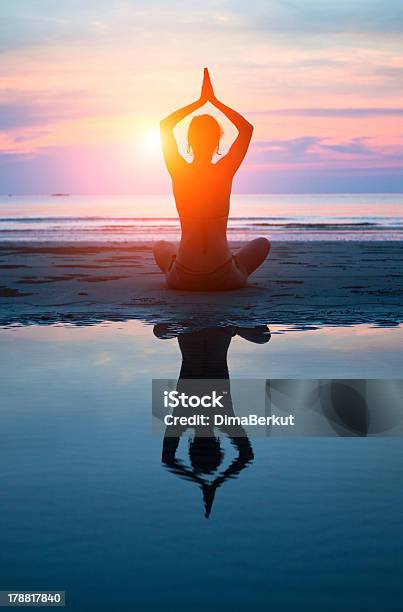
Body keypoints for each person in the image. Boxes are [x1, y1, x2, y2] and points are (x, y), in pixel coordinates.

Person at [153, 68, 270, 291]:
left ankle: (174, 266)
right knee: (262, 243)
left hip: (183, 278)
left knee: (160, 246)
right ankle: (234, 263)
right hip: (223, 276)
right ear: (217, 142)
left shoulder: (179, 170)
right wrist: (214, 102)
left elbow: (165, 126)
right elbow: (246, 129)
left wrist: (199, 102)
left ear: (188, 142)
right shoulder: (224, 170)